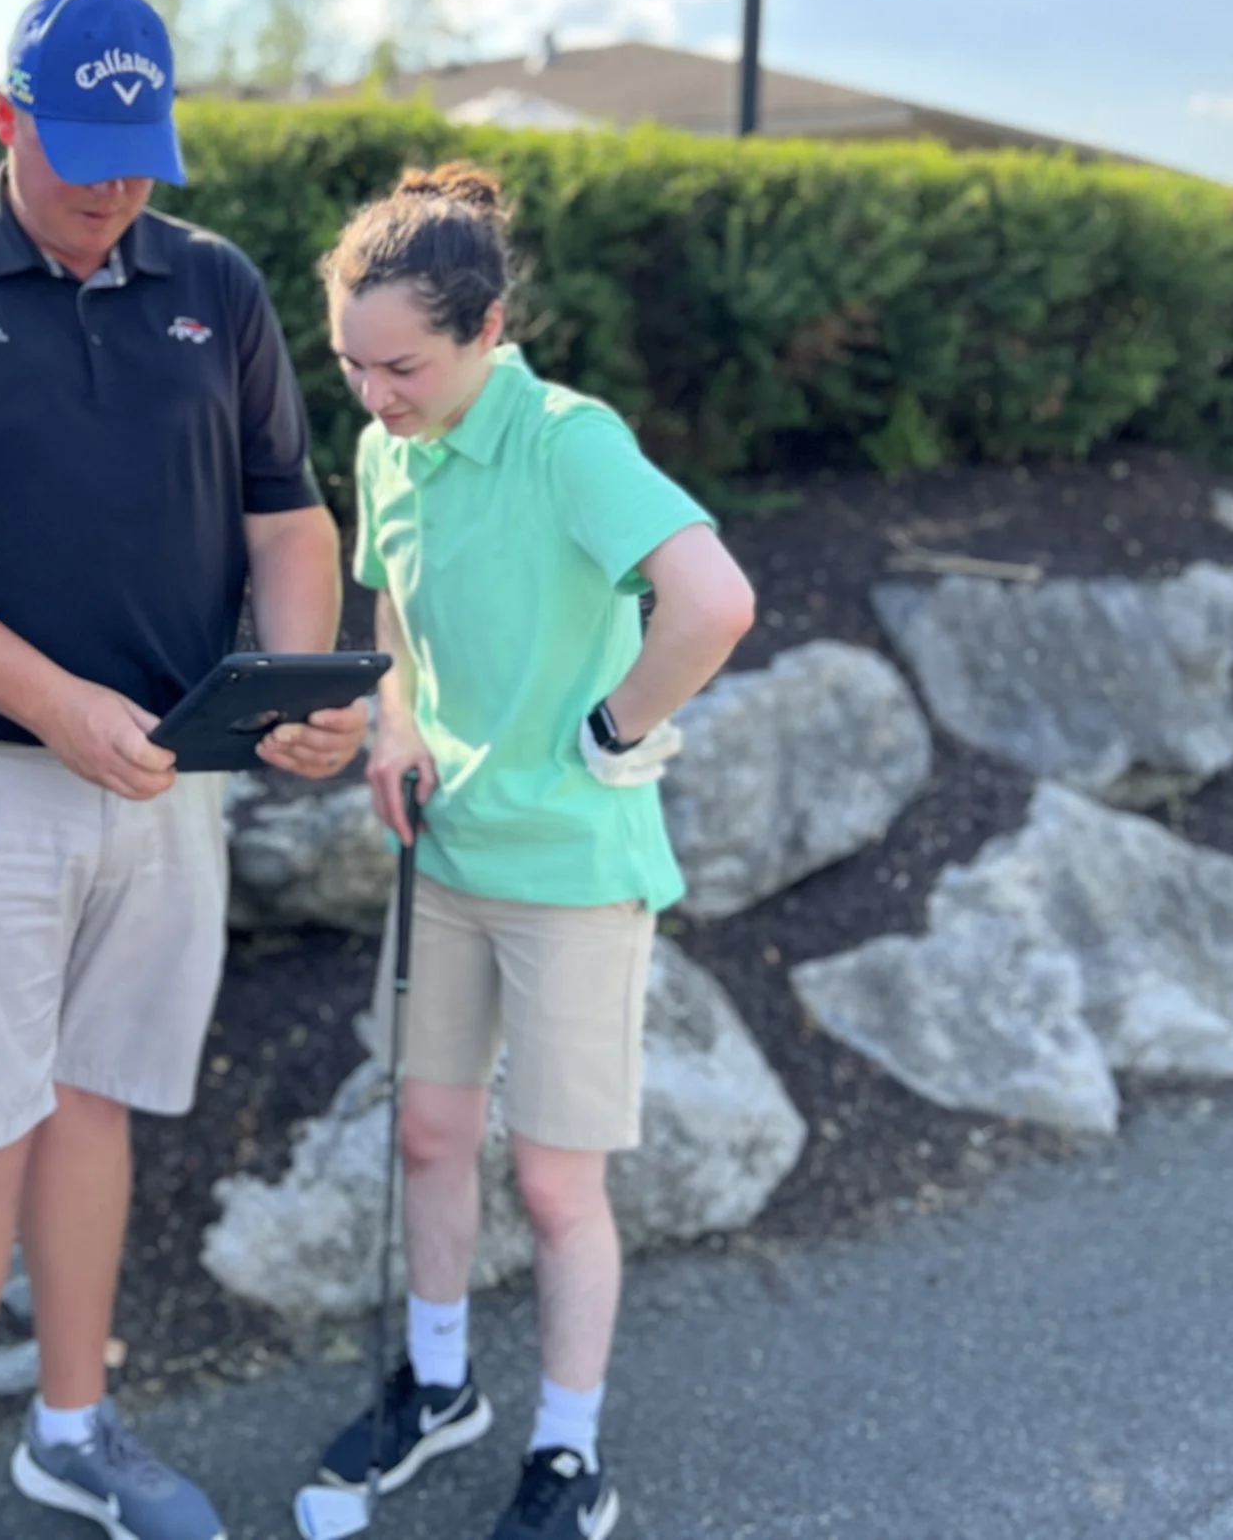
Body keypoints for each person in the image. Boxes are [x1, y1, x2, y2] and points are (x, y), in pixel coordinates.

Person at [0, 0, 366, 1540]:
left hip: (168, 786)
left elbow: (287, 515)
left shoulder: (217, 285)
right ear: (7, 119)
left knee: (95, 1101)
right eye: (83, 152)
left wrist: (291, 681)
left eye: (139, 157)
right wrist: (51, 699)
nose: (115, 189)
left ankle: (71, 1430)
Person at [313, 165, 756, 1540]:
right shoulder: (390, 449)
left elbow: (714, 600)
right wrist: (395, 728)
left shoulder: (571, 440)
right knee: (431, 1133)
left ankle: (570, 1455)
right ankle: (441, 1381)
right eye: (352, 364)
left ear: (488, 328)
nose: (376, 394)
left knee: (557, 1184)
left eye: (404, 366)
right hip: (446, 856)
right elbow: (390, 613)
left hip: (572, 877)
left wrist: (616, 726)